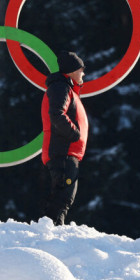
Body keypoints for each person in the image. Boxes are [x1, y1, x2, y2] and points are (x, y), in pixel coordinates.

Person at [41, 51, 88, 225]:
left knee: (63, 197)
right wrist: (74, 133)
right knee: (63, 198)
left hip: (67, 152)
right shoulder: (61, 87)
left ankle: (50, 230)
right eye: (81, 69)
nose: (83, 73)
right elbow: (56, 114)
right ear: (72, 71)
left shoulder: (66, 88)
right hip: (63, 151)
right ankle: (51, 231)